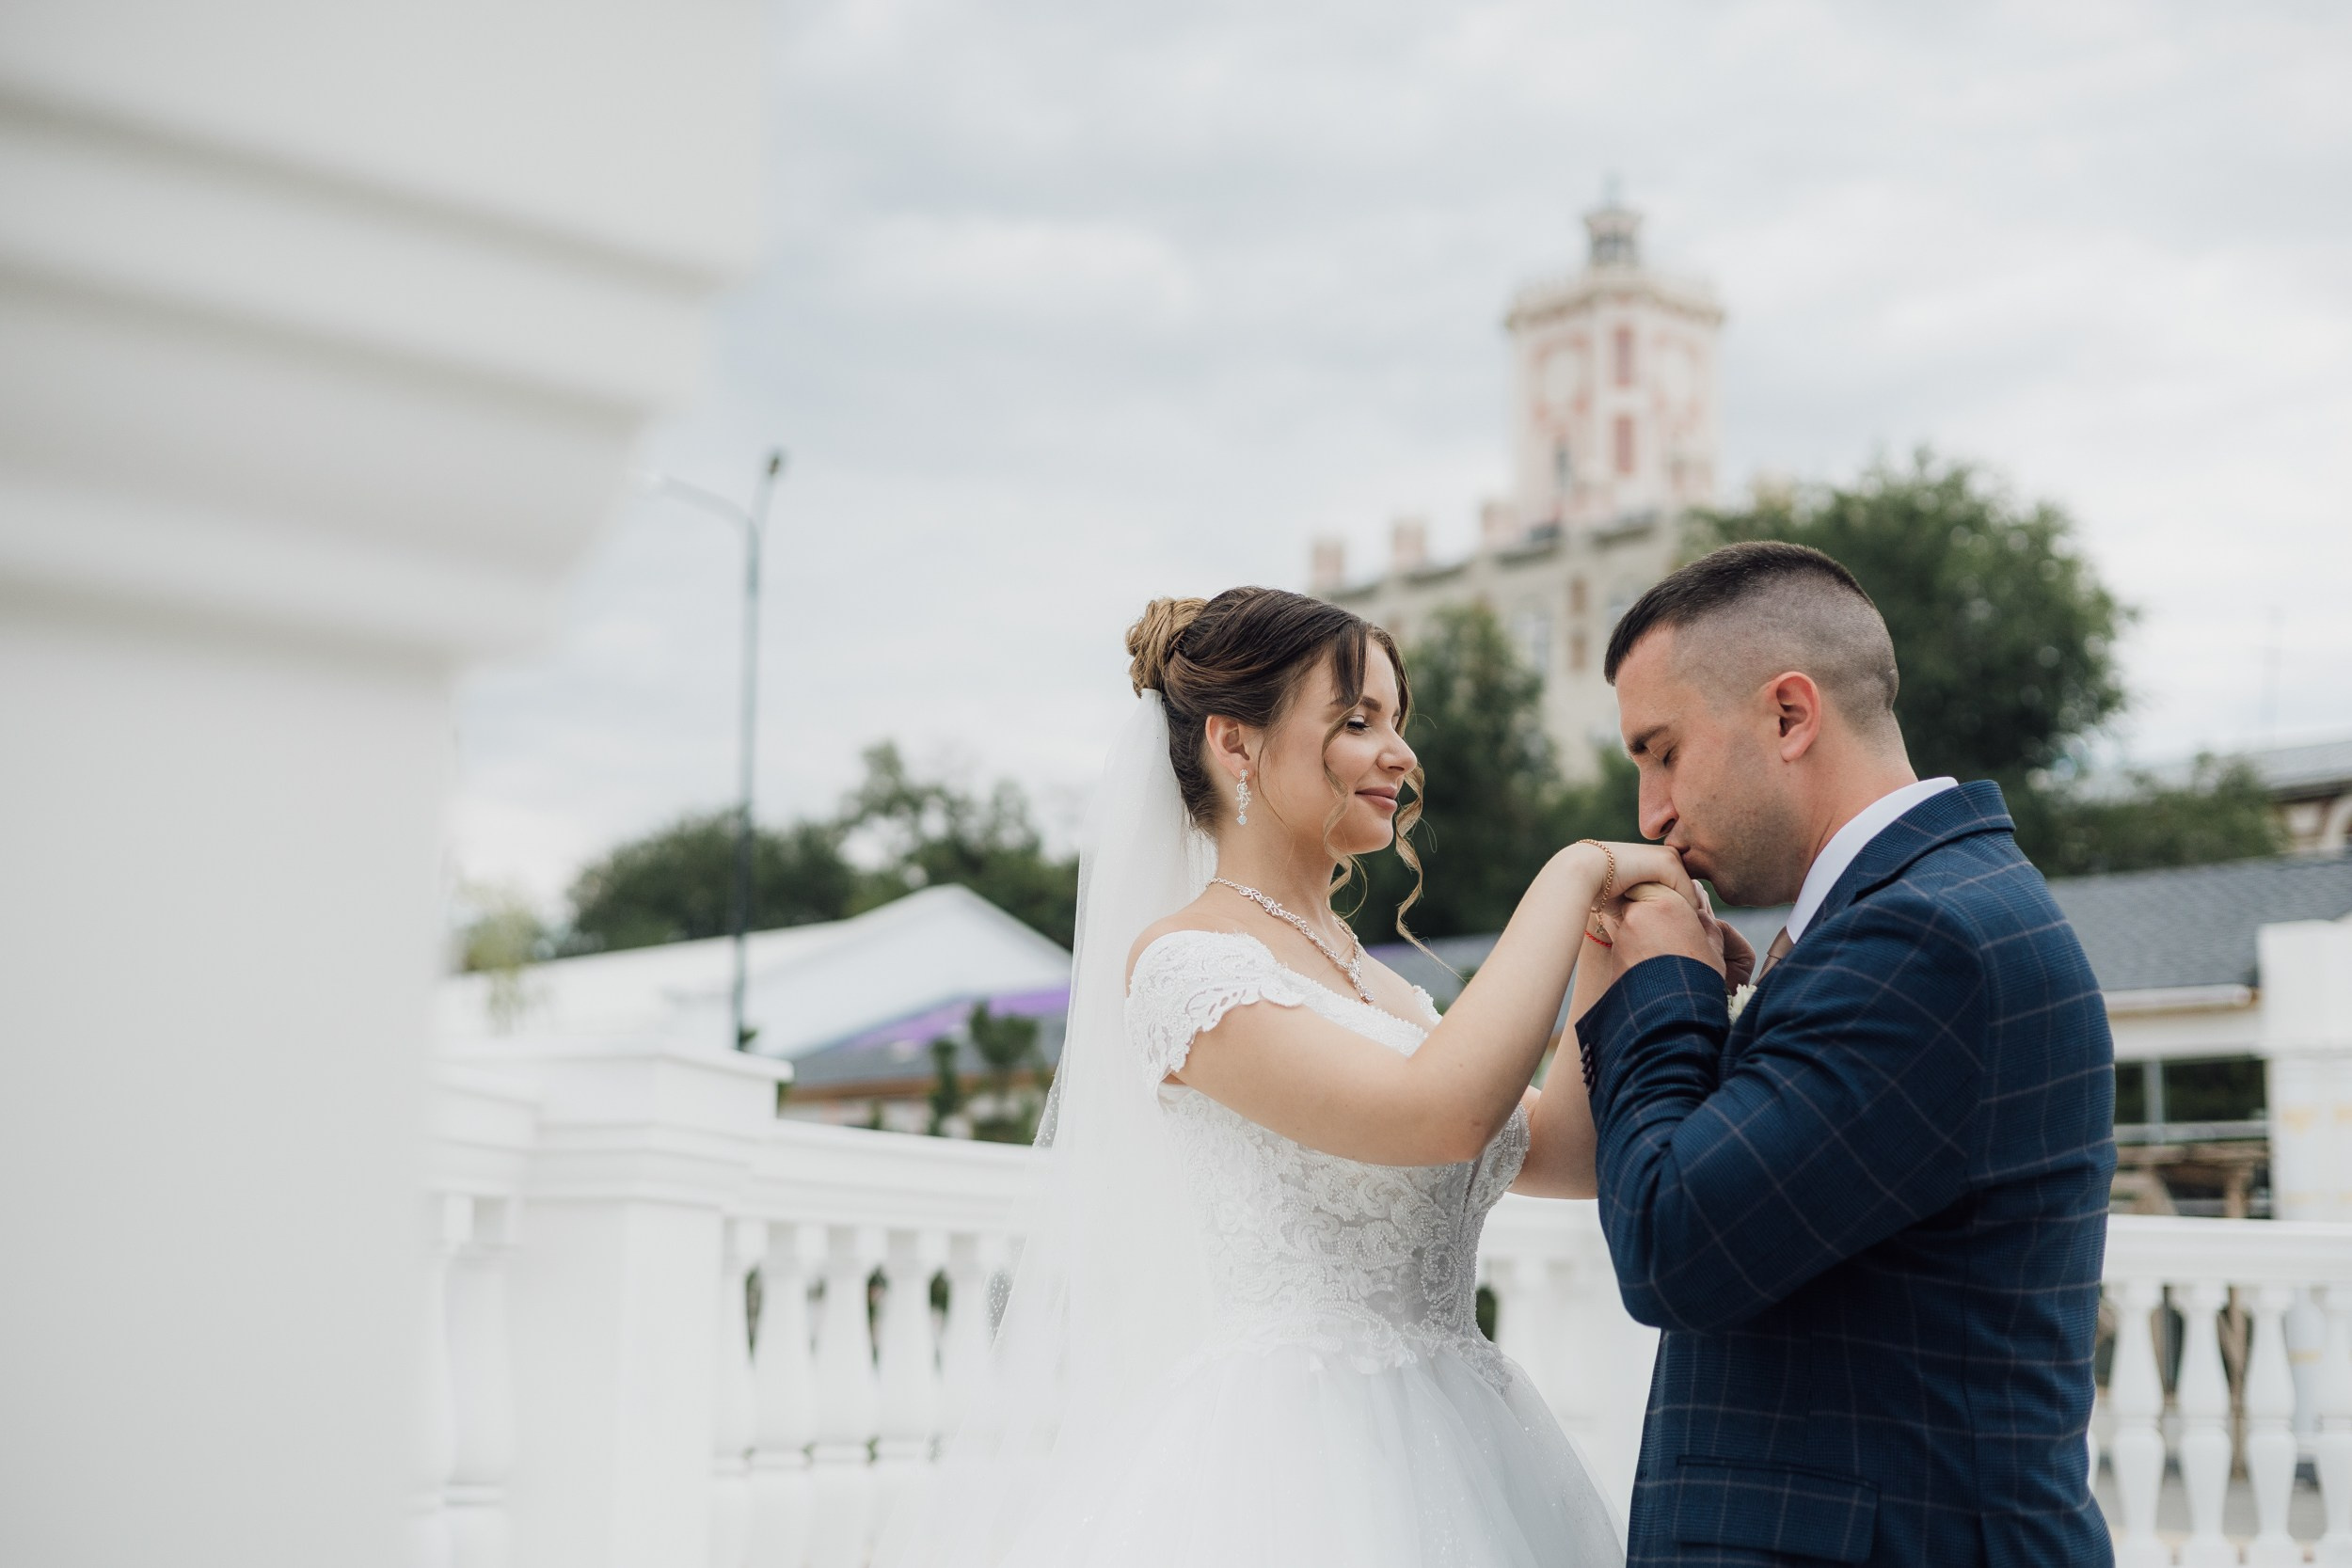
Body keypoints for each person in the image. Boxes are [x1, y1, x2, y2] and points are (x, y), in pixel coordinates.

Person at [885, 585, 1708, 1568]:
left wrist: (1603, 941)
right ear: (1235, 745)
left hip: (1463, 1427)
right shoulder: (1187, 965)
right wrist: (1572, 869)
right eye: (1357, 721)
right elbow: (1436, 1113)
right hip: (1292, 1455)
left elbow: (1570, 1151)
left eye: (1397, 722)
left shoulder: (1384, 990)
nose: (1399, 754)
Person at [1573, 541, 2115, 1567]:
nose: (1649, 813)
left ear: (1789, 714)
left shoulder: (1925, 941)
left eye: (1662, 751)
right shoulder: (1907, 917)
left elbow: (1673, 1244)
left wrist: (1668, 985)